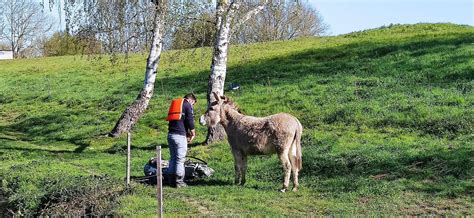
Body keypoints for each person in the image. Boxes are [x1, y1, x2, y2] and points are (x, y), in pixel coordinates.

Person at [165, 93, 197, 187]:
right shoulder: (187, 105)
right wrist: (193, 133)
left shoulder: (177, 105)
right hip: (179, 137)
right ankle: (179, 182)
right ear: (191, 100)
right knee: (180, 159)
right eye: (193, 104)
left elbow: (180, 121)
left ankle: (171, 181)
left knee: (173, 158)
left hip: (170, 135)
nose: (192, 106)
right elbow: (189, 120)